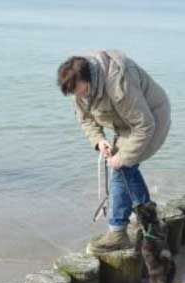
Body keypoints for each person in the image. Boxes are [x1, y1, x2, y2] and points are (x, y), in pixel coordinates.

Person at [57, 52, 171, 251]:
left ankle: (119, 232)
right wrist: (99, 141)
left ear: (89, 79)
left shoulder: (119, 84)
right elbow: (85, 119)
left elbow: (145, 125)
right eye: (74, 93)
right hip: (127, 125)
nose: (78, 96)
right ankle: (150, 223)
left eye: (80, 91)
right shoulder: (79, 88)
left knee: (123, 168)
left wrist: (123, 156)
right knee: (125, 168)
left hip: (152, 118)